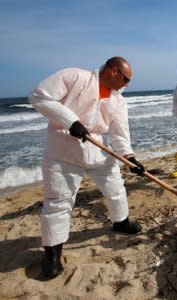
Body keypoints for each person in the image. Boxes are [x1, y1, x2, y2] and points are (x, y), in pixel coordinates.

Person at [29, 57, 145, 280]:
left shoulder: (119, 101)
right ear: (113, 70)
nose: (127, 84)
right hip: (63, 152)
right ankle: (53, 254)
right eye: (126, 79)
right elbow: (38, 95)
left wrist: (130, 158)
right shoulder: (75, 76)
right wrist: (70, 121)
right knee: (58, 202)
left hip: (99, 152)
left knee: (116, 189)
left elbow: (120, 134)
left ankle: (121, 222)